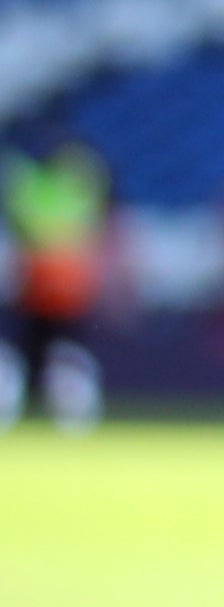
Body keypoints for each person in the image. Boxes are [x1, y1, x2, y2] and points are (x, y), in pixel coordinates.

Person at [6, 131, 109, 428]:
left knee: (56, 355)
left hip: (55, 289)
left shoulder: (36, 186)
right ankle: (70, 415)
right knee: (55, 355)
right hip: (46, 288)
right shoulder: (71, 187)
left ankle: (68, 413)